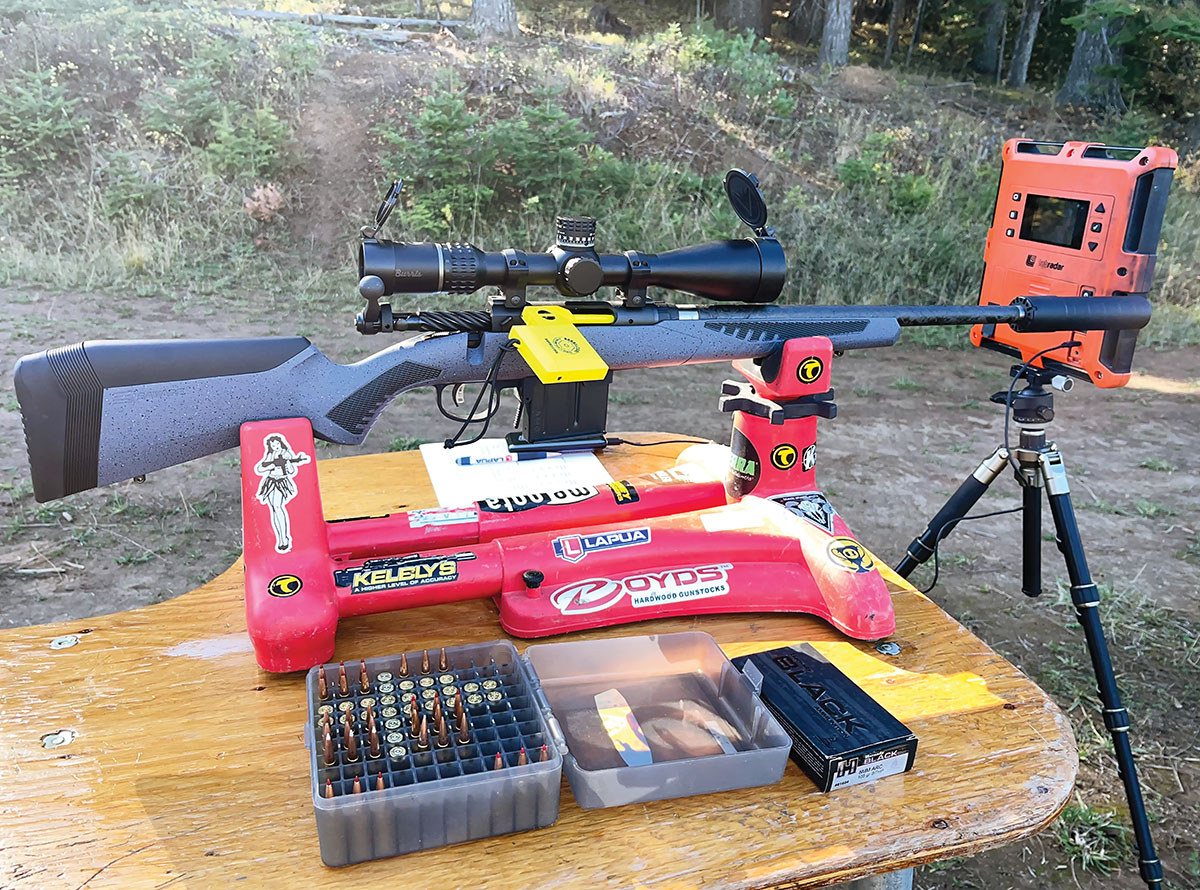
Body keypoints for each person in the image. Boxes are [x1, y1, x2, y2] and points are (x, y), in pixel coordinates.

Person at [254, 434, 311, 552]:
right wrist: (272, 465)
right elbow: (260, 468)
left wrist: (287, 464)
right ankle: (280, 538)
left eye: (277, 444)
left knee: (278, 507)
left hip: (281, 482)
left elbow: (291, 471)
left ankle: (284, 539)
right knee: (274, 509)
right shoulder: (270, 455)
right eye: (273, 445)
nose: (276, 447)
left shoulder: (286, 453)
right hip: (270, 482)